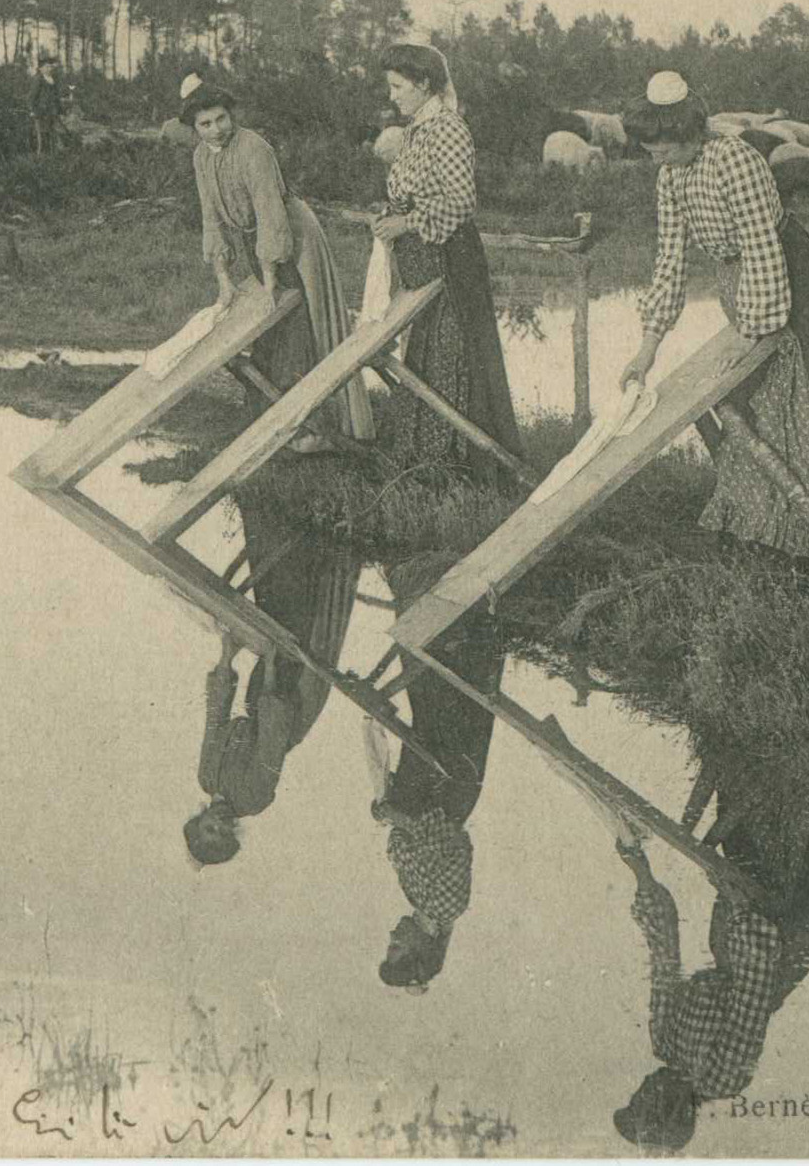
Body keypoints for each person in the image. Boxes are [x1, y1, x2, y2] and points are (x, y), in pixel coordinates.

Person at [618, 70, 809, 569]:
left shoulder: (735, 160)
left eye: (660, 147)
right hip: (741, 288)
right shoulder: (671, 176)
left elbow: (762, 249)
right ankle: (768, 528)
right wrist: (647, 347)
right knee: (756, 405)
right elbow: (670, 261)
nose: (653, 158)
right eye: (648, 150)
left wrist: (751, 332)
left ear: (686, 132)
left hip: (792, 283)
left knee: (803, 403)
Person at [612, 743, 809, 1150]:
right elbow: (755, 982)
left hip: (736, 933)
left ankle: (755, 744)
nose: (641, 1085)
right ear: (670, 1110)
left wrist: (641, 872)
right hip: (784, 944)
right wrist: (740, 904)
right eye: (642, 1099)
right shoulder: (721, 1078)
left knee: (750, 799)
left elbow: (663, 956)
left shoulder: (664, 1041)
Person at [185, 76, 374, 449]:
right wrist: (224, 283)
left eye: (221, 119)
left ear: (231, 115)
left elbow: (271, 216)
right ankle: (271, 419)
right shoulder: (201, 157)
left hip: (294, 238)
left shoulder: (254, 148)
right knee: (267, 331)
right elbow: (212, 220)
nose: (216, 129)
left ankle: (314, 427)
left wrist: (270, 281)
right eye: (205, 124)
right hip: (255, 241)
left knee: (300, 324)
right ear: (193, 128)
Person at [183, 495, 365, 866]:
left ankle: (285, 504)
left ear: (197, 821)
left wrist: (227, 654)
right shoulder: (253, 799)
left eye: (207, 829)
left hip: (261, 693)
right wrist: (268, 663)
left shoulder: (207, 775)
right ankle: (341, 515)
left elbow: (215, 716)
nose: (217, 825)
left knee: (276, 606)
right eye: (221, 834)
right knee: (304, 620)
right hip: (294, 702)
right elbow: (272, 734)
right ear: (233, 835)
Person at [372, 43, 523, 480]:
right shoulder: (419, 128)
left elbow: (461, 203)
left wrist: (406, 224)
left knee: (453, 358)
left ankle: (462, 468)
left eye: (398, 86)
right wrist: (390, 217)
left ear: (423, 84)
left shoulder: (448, 129)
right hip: (424, 262)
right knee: (425, 355)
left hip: (451, 261)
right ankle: (426, 461)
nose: (392, 96)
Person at [371, 560, 506, 990]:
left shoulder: (416, 896)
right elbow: (453, 841)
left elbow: (402, 840)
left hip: (425, 780)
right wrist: (399, 819)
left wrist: (389, 814)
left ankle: (424, 581)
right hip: (450, 785)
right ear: (421, 948)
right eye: (396, 947)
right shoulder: (448, 906)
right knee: (449, 685)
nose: (391, 937)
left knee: (426, 687)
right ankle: (463, 587)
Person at [29, 53, 64, 154]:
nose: (49, 69)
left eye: (50, 67)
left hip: (52, 111)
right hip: (41, 111)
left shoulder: (53, 80)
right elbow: (32, 96)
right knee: (42, 135)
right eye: (47, 67)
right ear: (41, 68)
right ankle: (40, 156)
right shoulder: (38, 79)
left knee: (52, 132)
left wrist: (59, 108)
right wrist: (32, 110)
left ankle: (52, 155)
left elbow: (56, 96)